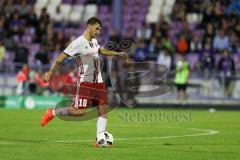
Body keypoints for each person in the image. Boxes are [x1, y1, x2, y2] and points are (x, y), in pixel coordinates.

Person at [40, 17, 127, 147]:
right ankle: (52, 112)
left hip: (98, 81)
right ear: (89, 26)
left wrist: (117, 54)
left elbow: (101, 50)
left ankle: (99, 139)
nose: (98, 32)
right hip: (85, 82)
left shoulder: (94, 41)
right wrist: (49, 73)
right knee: (80, 112)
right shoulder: (78, 43)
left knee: (103, 109)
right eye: (97, 28)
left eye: (100, 29)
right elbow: (60, 59)